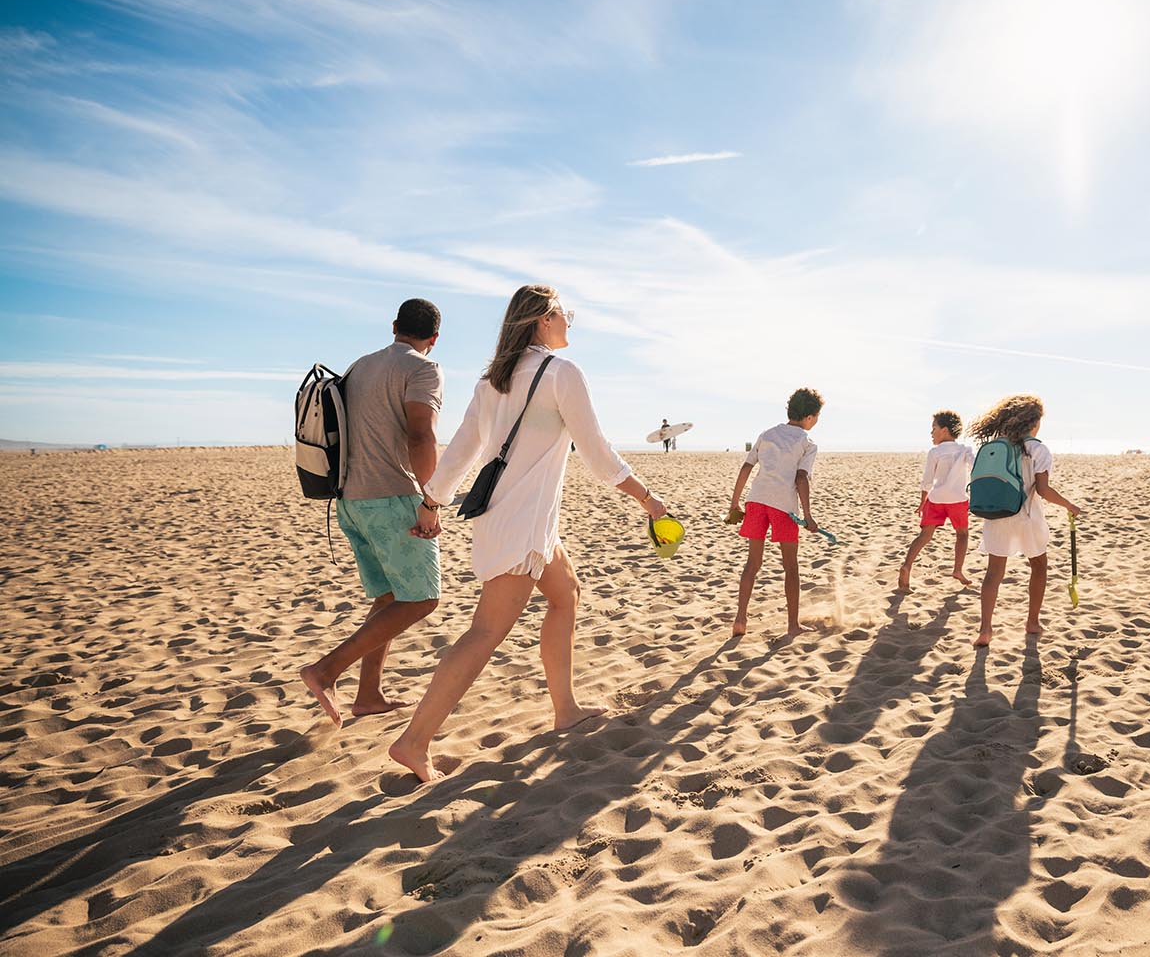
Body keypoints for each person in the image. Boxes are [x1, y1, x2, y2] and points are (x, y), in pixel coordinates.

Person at [389, 285, 669, 783]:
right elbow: (598, 453)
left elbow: (460, 454)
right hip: (521, 525)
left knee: (566, 594)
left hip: (520, 521)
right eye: (565, 314)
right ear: (542, 319)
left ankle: (565, 708)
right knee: (485, 632)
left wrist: (431, 502)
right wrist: (648, 500)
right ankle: (413, 742)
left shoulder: (491, 381)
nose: (569, 323)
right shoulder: (561, 374)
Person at [299, 299, 444, 728]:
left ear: (395, 325)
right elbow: (421, 435)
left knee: (388, 598)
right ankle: (325, 671)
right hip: (392, 497)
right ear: (434, 338)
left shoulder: (360, 366)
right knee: (422, 599)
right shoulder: (423, 369)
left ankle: (368, 696)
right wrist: (431, 500)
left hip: (349, 500)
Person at [970, 394, 1081, 646]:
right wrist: (1069, 505)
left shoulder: (996, 446)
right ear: (1034, 422)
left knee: (993, 572)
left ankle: (985, 629)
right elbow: (1043, 490)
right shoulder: (1038, 449)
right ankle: (1032, 622)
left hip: (997, 515)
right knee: (1039, 565)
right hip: (1027, 517)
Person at [727, 388, 823, 638]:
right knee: (791, 567)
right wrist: (808, 515)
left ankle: (740, 620)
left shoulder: (767, 434)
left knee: (752, 563)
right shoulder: (807, 442)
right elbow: (801, 478)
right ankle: (792, 625)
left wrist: (735, 503)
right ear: (811, 417)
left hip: (756, 501)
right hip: (783, 506)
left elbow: (746, 467)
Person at [898, 409, 974, 591]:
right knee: (962, 534)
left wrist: (922, 502)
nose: (931, 433)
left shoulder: (935, 452)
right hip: (957, 499)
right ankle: (957, 570)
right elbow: (976, 468)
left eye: (933, 428)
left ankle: (907, 565)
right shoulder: (965, 450)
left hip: (936, 498)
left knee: (925, 535)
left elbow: (927, 480)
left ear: (945, 430)